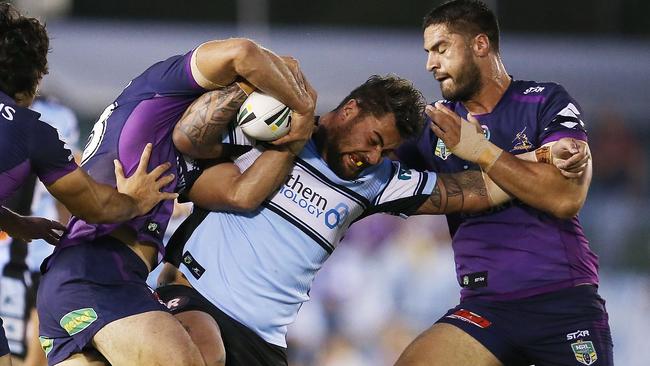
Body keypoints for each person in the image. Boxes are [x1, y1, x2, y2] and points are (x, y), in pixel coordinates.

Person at [153, 74, 585, 366]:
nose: (373, 157)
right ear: (350, 110)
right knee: (199, 353)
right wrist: (248, 78)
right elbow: (187, 136)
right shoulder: (271, 126)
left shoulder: (380, 181)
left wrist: (547, 154)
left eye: (388, 150)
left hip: (265, 343)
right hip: (195, 297)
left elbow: (476, 189)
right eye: (375, 140)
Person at [35, 33, 316, 366]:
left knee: (209, 351)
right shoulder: (158, 87)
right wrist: (302, 105)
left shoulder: (177, 150)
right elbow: (243, 52)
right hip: (97, 275)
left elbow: (241, 194)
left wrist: (291, 142)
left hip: (96, 282)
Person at [393, 1, 611, 366]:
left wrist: (480, 150)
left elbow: (564, 198)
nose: (431, 63)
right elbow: (377, 171)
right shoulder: (434, 124)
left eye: (442, 48)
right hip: (485, 309)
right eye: (428, 52)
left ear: (480, 45)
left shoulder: (545, 101)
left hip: (561, 302)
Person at [0, 4, 179, 366]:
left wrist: (13, 222)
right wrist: (134, 199)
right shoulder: (32, 131)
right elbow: (95, 207)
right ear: (33, 79)